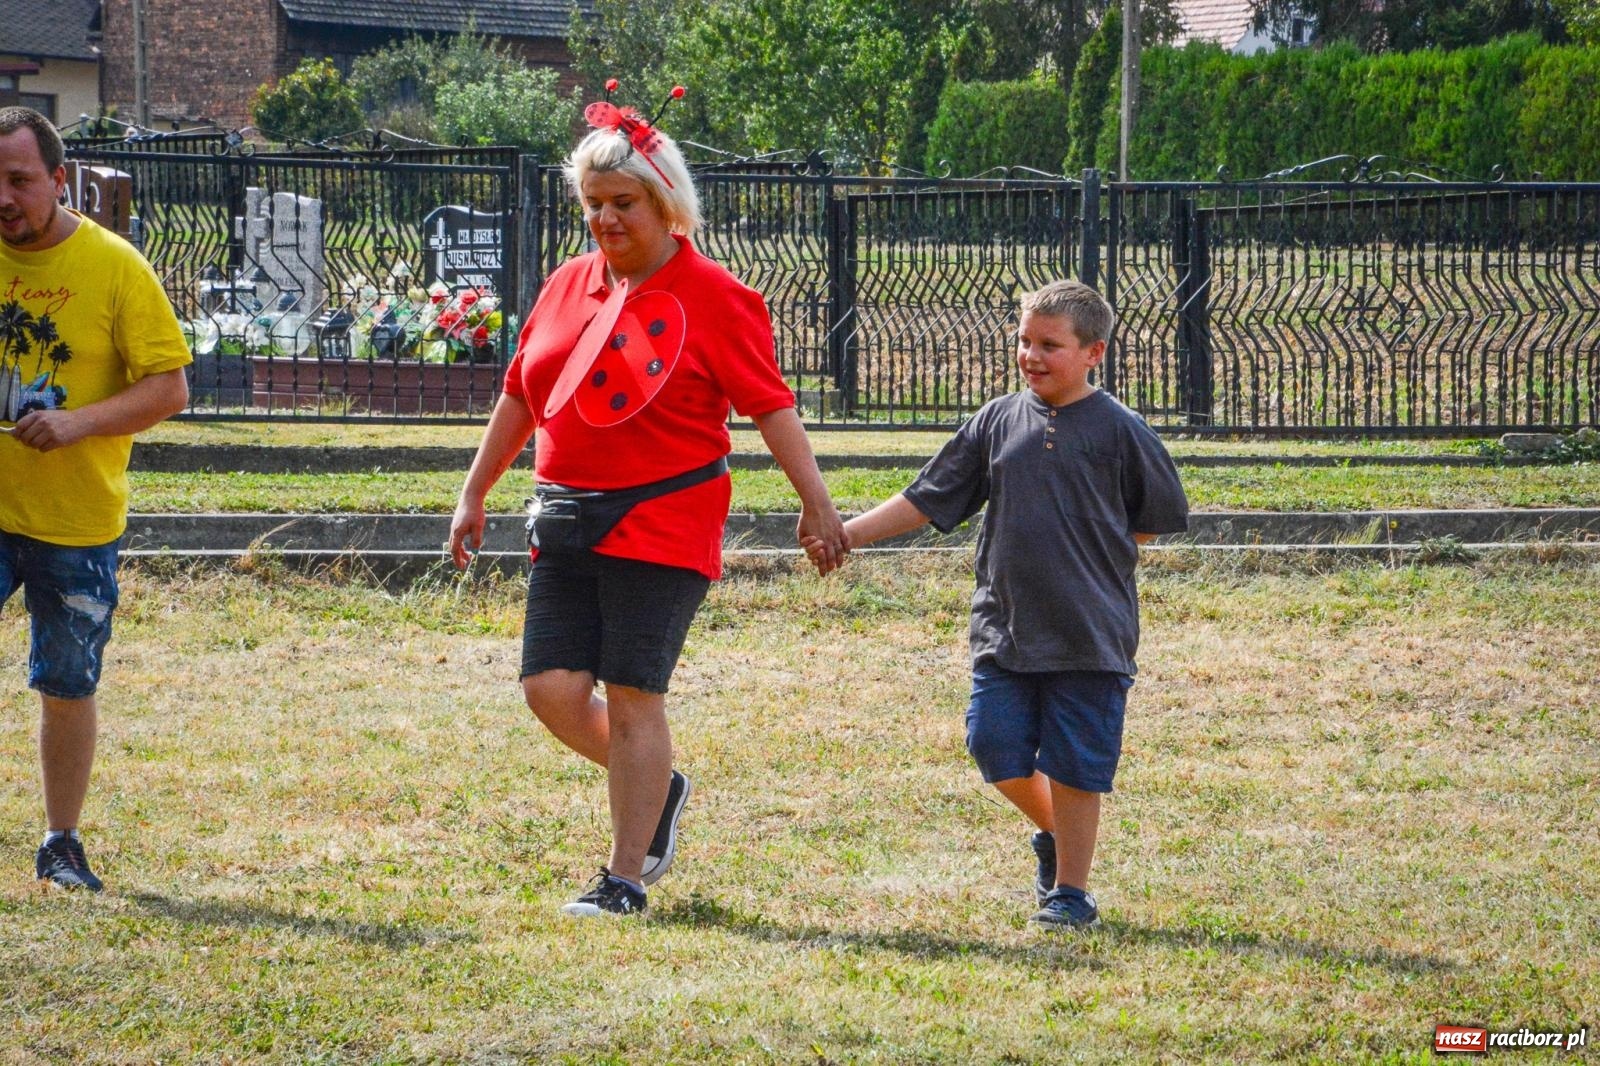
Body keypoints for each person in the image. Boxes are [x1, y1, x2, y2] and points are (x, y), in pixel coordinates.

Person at [449, 89, 846, 917]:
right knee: (551, 690)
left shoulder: (718, 296)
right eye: (593, 205)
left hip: (664, 516)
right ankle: (656, 785)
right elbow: (522, 395)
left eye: (623, 203)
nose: (605, 220)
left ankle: (624, 876)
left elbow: (772, 407)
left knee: (634, 694)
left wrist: (815, 503)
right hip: (564, 515)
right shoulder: (566, 284)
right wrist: (474, 489)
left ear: (667, 201)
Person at [811, 280, 1187, 929]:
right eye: (1024, 341)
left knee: (1075, 764)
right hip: (1005, 628)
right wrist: (847, 534)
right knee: (995, 747)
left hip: (1088, 633)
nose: (1032, 356)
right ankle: (1055, 834)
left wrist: (1088, 559)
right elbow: (929, 498)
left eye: (1051, 345)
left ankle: (1071, 891)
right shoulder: (997, 421)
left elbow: (1152, 518)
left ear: (1094, 352)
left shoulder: (1122, 431)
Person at [0, 107, 191, 891]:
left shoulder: (116, 267)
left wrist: (76, 423)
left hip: (76, 521)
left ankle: (61, 842)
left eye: (17, 180)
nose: (3, 197)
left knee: (67, 683)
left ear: (57, 178)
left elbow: (169, 388)